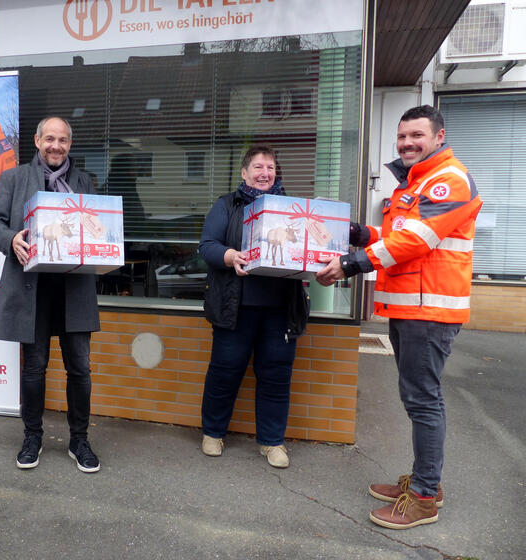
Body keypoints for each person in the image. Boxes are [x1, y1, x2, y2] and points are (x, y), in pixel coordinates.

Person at [316, 105, 482, 529]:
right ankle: (427, 483)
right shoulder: (414, 182)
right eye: (402, 136)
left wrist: (351, 262)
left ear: (439, 136)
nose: (407, 143)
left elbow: (416, 240)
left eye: (417, 135)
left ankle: (423, 497)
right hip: (412, 308)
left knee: (423, 401)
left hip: (429, 310)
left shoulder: (448, 179)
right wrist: (359, 234)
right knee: (418, 398)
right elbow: (394, 237)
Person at [0, 116, 101, 473]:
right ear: (37, 141)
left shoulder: (85, 182)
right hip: (31, 290)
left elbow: (97, 226)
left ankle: (79, 440)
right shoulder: (13, 178)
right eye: (49, 139)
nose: (56, 146)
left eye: (62, 140)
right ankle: (32, 436)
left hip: (74, 289)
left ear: (69, 144)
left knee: (79, 368)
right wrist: (11, 239)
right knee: (34, 368)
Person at [198, 145, 309, 469]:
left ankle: (272, 442)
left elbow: (305, 246)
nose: (265, 173)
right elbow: (207, 245)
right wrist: (229, 256)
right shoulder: (227, 205)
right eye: (258, 167)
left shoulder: (292, 210)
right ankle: (213, 433)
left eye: (270, 168)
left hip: (280, 310)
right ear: (244, 173)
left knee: (276, 376)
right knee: (224, 373)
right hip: (235, 308)